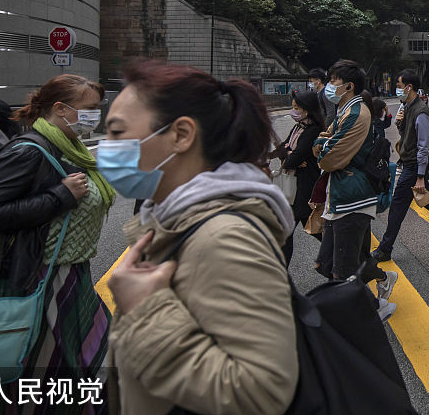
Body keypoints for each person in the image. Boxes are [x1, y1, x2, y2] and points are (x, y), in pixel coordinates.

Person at [100, 61, 297, 414]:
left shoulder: (223, 238)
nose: (106, 147)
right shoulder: (175, 220)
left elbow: (261, 394)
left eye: (116, 133)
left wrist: (147, 310)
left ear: (181, 135)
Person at [0, 75, 112, 406]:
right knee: (40, 371)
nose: (97, 115)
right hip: (37, 280)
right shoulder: (29, 151)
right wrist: (60, 196)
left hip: (70, 276)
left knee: (72, 369)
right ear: (61, 109)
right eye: (90, 109)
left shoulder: (73, 150)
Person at [311, 60, 396, 318]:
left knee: (343, 270)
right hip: (342, 197)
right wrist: (322, 144)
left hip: (352, 199)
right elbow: (326, 142)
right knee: (329, 264)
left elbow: (329, 156)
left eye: (333, 81)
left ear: (348, 86)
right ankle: (379, 292)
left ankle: (371, 312)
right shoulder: (345, 111)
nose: (328, 86)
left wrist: (320, 146)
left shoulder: (356, 113)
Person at [372, 70, 429, 261]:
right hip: (410, 164)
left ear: (409, 87)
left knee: (398, 206)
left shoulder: (421, 112)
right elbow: (408, 137)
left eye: (399, 87)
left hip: (414, 166)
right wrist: (400, 124)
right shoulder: (408, 108)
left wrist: (421, 175)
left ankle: (385, 248)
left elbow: (423, 146)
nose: (397, 90)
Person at [276, 89, 326, 264]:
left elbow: (292, 159)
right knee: (291, 232)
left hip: (304, 189)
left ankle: (347, 262)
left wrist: (292, 156)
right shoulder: (299, 127)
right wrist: (290, 154)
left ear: (307, 109)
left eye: (297, 107)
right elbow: (284, 151)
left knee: (313, 230)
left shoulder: (313, 130)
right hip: (295, 188)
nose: (293, 111)